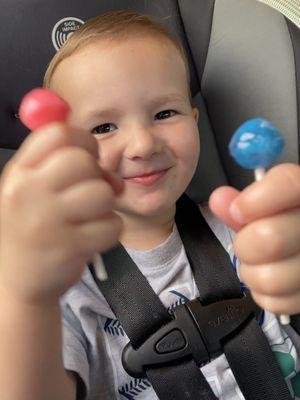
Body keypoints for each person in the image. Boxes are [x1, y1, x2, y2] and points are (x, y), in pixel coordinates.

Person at [0, 10, 300, 400]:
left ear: (195, 121)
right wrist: (22, 295)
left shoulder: (250, 231)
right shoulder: (61, 286)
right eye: (103, 127)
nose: (143, 145)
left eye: (164, 113)